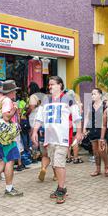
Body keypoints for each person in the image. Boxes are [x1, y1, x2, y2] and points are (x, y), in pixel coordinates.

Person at [32, 76, 83, 204]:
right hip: (50, 139)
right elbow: (39, 117)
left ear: (60, 85)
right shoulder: (46, 100)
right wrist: (34, 131)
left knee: (59, 164)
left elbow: (77, 117)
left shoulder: (68, 99)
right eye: (49, 85)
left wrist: (79, 132)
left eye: (52, 84)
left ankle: (61, 189)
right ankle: (61, 188)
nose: (50, 87)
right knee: (55, 164)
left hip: (62, 138)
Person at [83, 88, 108, 177]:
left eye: (94, 94)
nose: (92, 96)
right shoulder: (90, 105)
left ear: (100, 95)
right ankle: (98, 169)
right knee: (95, 152)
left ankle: (106, 166)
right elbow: (87, 117)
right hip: (93, 130)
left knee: (101, 150)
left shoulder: (105, 105)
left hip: (102, 130)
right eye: (92, 94)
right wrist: (84, 128)